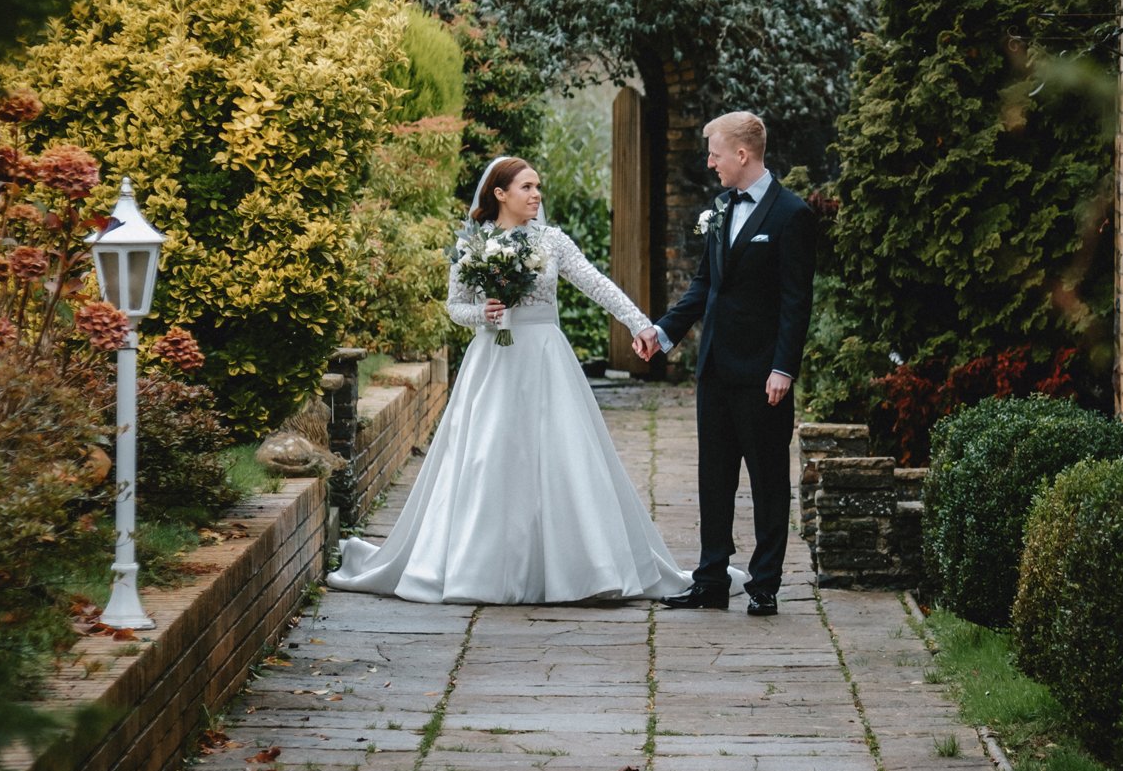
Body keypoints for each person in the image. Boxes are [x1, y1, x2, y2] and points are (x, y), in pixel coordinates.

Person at [327, 155, 703, 605]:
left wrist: (640, 324)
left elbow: (595, 283)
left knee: (562, 457)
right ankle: (480, 567)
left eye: (538, 186)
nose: (536, 195)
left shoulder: (553, 241)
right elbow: (456, 305)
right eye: (526, 187)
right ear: (500, 194)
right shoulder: (473, 245)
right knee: (489, 455)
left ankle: (577, 568)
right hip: (494, 361)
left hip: (546, 359)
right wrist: (482, 315)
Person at [635, 111, 815, 616]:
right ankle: (711, 579)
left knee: (768, 480)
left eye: (714, 152)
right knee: (714, 479)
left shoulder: (791, 214)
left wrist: (785, 367)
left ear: (741, 154)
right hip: (714, 368)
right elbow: (703, 284)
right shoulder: (717, 208)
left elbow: (796, 301)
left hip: (763, 375)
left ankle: (764, 584)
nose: (709, 161)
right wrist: (664, 331)